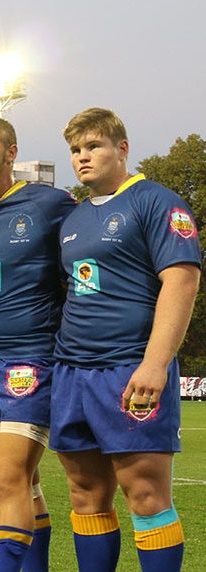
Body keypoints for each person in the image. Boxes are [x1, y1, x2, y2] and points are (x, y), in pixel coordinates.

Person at [53, 108, 198, 571]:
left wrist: (155, 363)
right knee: (85, 495)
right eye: (76, 149)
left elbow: (182, 281)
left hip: (129, 367)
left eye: (94, 146)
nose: (83, 156)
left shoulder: (157, 201)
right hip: (71, 371)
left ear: (122, 149)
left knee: (146, 494)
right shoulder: (74, 218)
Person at [0, 115, 75, 572]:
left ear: (11, 152)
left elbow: (82, 264)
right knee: (27, 484)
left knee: (8, 481)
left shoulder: (50, 203)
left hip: (34, 358)